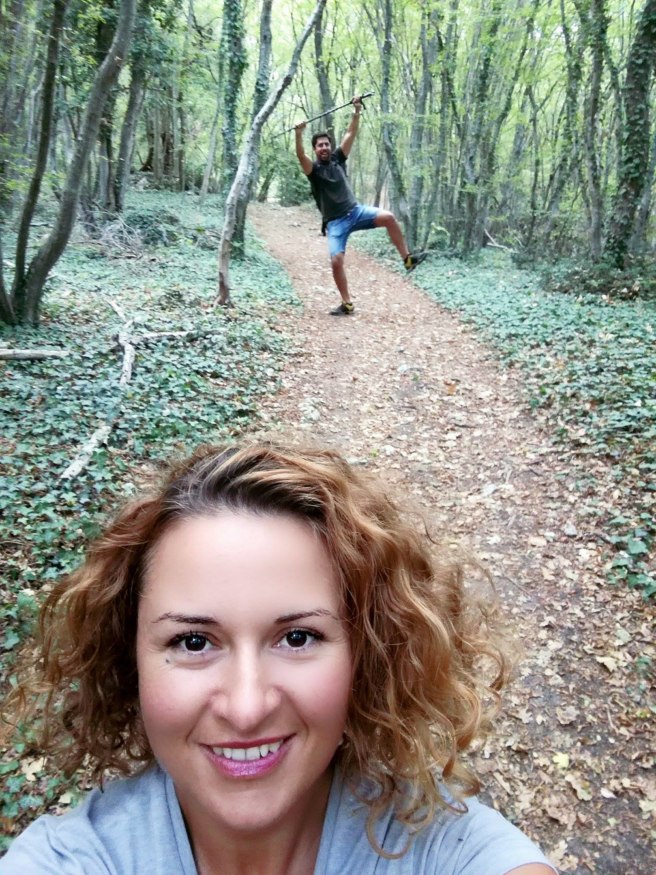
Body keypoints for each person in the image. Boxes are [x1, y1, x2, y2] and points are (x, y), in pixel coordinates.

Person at [0, 442, 557, 875]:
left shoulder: (446, 849)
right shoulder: (72, 859)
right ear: (129, 663)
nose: (247, 709)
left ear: (366, 656)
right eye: (193, 642)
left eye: (297, 638)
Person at [295, 96, 427, 316]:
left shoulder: (338, 159)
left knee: (389, 217)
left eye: (326, 144)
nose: (324, 147)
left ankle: (407, 259)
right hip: (335, 223)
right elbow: (300, 155)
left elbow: (350, 133)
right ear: (315, 149)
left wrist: (356, 110)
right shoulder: (313, 171)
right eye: (320, 145)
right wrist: (299, 133)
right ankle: (347, 303)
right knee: (336, 261)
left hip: (356, 213)